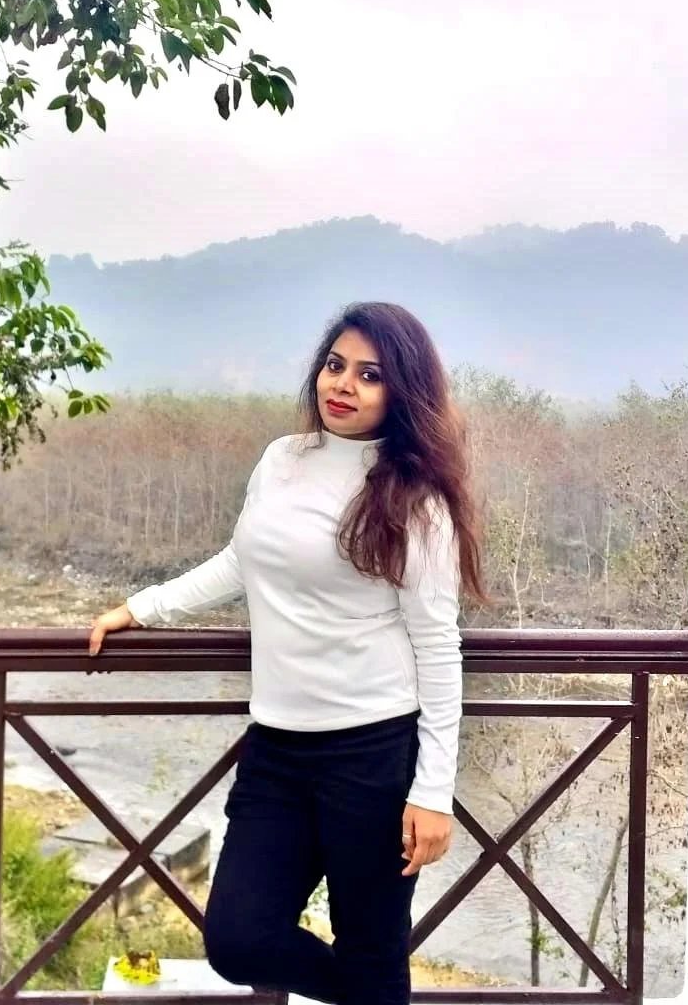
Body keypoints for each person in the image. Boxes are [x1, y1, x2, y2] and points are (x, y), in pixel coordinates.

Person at [89, 302, 487, 1005]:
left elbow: (436, 646)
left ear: (403, 391)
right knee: (238, 939)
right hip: (276, 750)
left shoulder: (415, 498)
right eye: (336, 365)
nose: (344, 384)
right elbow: (239, 563)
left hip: (373, 755)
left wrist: (431, 793)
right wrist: (142, 608)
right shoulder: (283, 459)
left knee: (371, 945)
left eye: (370, 374)